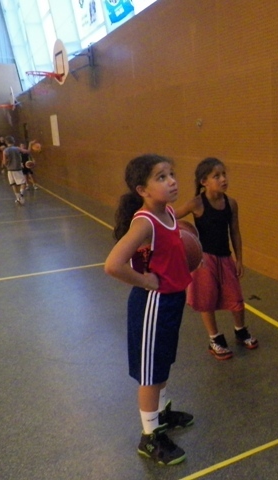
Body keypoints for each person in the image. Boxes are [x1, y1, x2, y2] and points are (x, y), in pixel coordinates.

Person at [104, 154, 194, 466]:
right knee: (150, 372)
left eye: (171, 174)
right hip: (152, 305)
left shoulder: (167, 211)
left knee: (163, 361)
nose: (172, 181)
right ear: (142, 190)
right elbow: (113, 265)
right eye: (161, 177)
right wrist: (145, 280)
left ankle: (162, 413)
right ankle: (150, 436)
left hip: (171, 300)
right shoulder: (145, 222)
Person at [175, 157, 258, 360]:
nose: (223, 179)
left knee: (236, 298)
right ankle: (215, 338)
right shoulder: (196, 203)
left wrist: (239, 259)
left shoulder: (231, 203)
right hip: (203, 261)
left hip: (225, 258)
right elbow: (172, 218)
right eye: (216, 176)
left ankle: (240, 330)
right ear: (204, 181)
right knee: (207, 299)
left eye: (224, 175)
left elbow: (235, 232)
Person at [2, 136, 33, 205]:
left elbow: (4, 162)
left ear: (6, 142)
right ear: (13, 141)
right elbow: (27, 151)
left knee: (13, 184)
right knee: (23, 183)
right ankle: (21, 195)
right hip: (17, 168)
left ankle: (18, 198)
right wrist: (30, 144)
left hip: (10, 170)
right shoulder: (17, 148)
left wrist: (8, 162)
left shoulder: (5, 151)